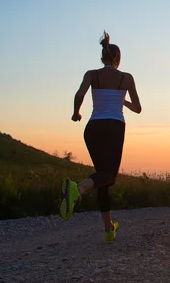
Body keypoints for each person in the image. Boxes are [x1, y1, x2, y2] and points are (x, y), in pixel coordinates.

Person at [60, 31, 142, 243]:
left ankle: (108, 229)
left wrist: (76, 112)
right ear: (118, 59)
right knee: (109, 176)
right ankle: (76, 189)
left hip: (93, 128)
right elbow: (138, 108)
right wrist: (121, 101)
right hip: (114, 127)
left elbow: (79, 94)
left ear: (102, 58)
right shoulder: (126, 78)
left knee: (102, 177)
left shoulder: (91, 74)